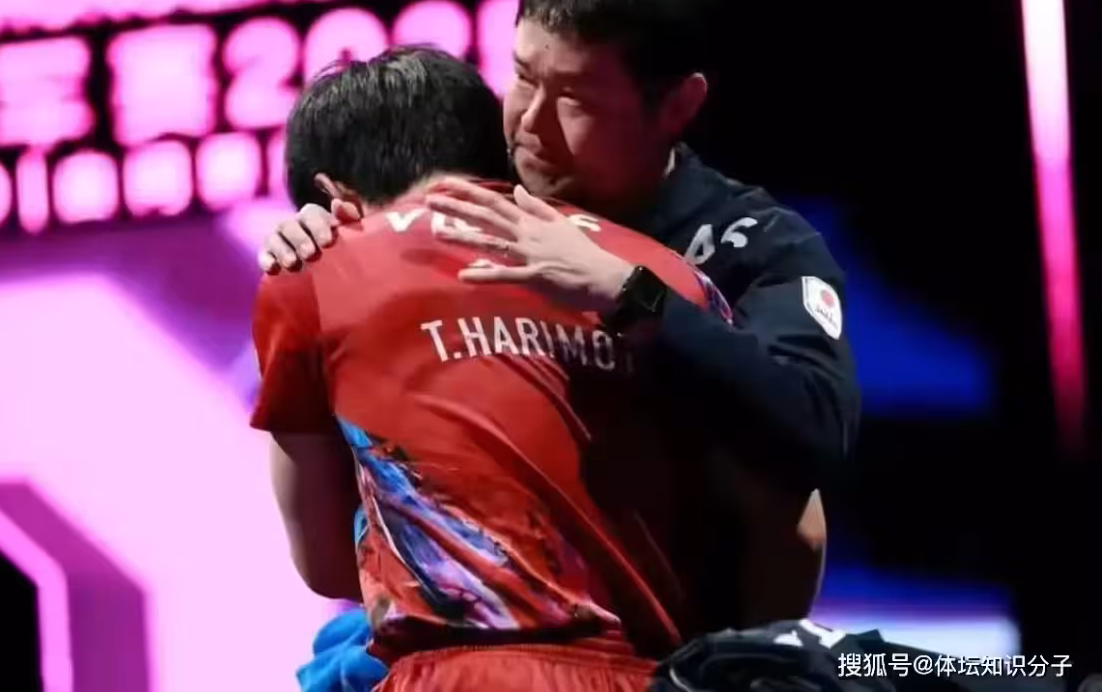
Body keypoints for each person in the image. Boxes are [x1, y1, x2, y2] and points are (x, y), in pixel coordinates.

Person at [261, 0, 851, 613]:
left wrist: (629, 293)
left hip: (664, 618)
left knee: (797, 510)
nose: (529, 124)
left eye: (576, 100)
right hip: (454, 606)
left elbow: (813, 432)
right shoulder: (470, 180)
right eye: (523, 76)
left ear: (678, 106)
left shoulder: (756, 246)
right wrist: (316, 237)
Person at [252, 46, 819, 692]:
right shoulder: (663, 275)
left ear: (333, 198)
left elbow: (327, 565)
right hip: (653, 675)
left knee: (338, 661)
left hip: (461, 677)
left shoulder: (314, 271)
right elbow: (797, 524)